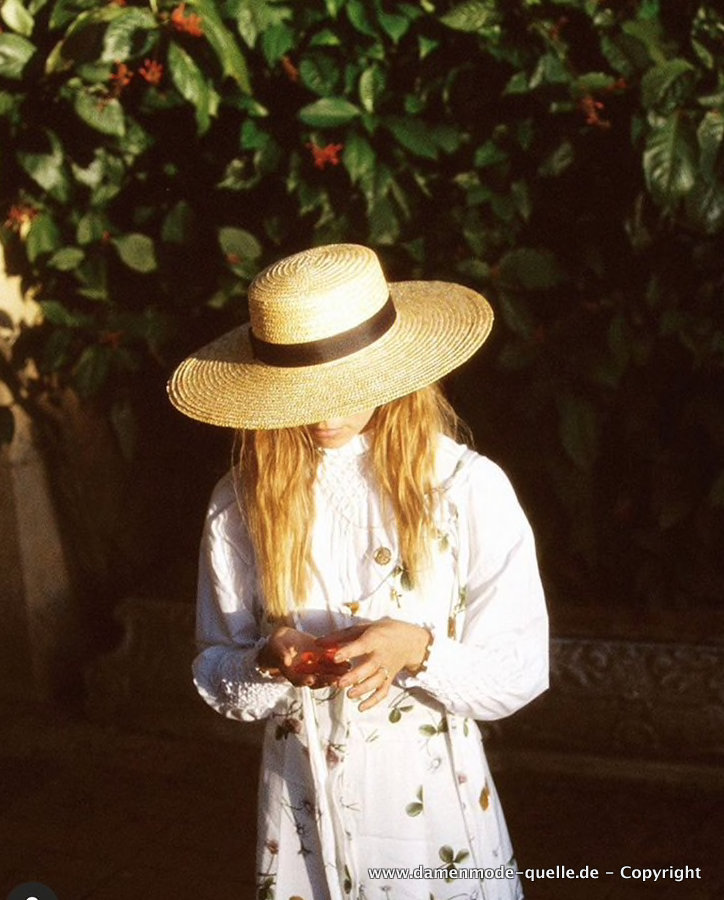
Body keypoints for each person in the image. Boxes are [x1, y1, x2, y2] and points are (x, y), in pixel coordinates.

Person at [168, 243, 548, 900]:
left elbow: (521, 672)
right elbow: (213, 669)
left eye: (345, 388)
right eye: (302, 392)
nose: (325, 414)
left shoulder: (462, 489)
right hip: (301, 809)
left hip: (434, 818)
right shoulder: (240, 503)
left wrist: (421, 650)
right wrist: (269, 659)